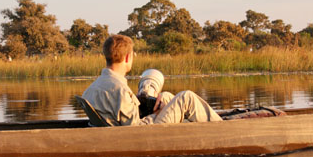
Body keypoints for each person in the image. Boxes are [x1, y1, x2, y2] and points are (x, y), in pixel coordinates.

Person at [82, 34, 222, 126]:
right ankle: (223, 128)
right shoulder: (121, 90)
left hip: (118, 130)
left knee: (165, 97)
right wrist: (157, 114)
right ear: (127, 58)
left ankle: (192, 121)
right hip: (143, 136)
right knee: (187, 97)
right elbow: (135, 130)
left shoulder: (91, 89)